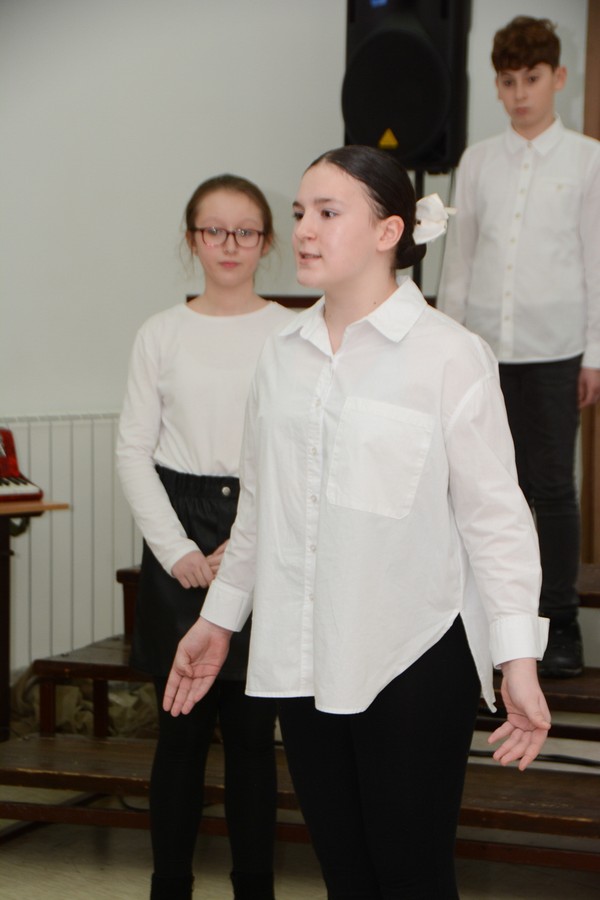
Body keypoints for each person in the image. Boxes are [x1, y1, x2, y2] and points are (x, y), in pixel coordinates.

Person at [161, 145, 551, 900]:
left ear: (387, 231)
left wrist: (518, 659)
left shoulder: (450, 355)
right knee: (345, 878)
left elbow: (498, 522)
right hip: (307, 655)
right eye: (301, 212)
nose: (304, 229)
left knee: (412, 879)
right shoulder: (281, 355)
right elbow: (261, 513)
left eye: (328, 212)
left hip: (412, 654)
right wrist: (218, 621)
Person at [116, 174, 296, 900]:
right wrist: (181, 554)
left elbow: (295, 452)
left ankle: (256, 887)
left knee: (253, 738)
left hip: (259, 524)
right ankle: (171, 886)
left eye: (245, 231)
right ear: (192, 239)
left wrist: (245, 546)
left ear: (266, 242)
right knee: (181, 735)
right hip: (180, 532)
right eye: (213, 230)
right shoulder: (160, 333)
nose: (229, 244)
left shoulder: (291, 332)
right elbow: (133, 452)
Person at [437, 16, 600, 678]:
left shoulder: (588, 160)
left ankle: (559, 624)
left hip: (556, 350)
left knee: (551, 487)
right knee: (479, 486)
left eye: (531, 79)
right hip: (481, 352)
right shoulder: (477, 161)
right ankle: (479, 621)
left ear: (557, 78)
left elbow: (596, 260)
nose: (520, 93)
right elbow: (459, 261)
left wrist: (595, 352)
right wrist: (441, 344)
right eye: (508, 81)